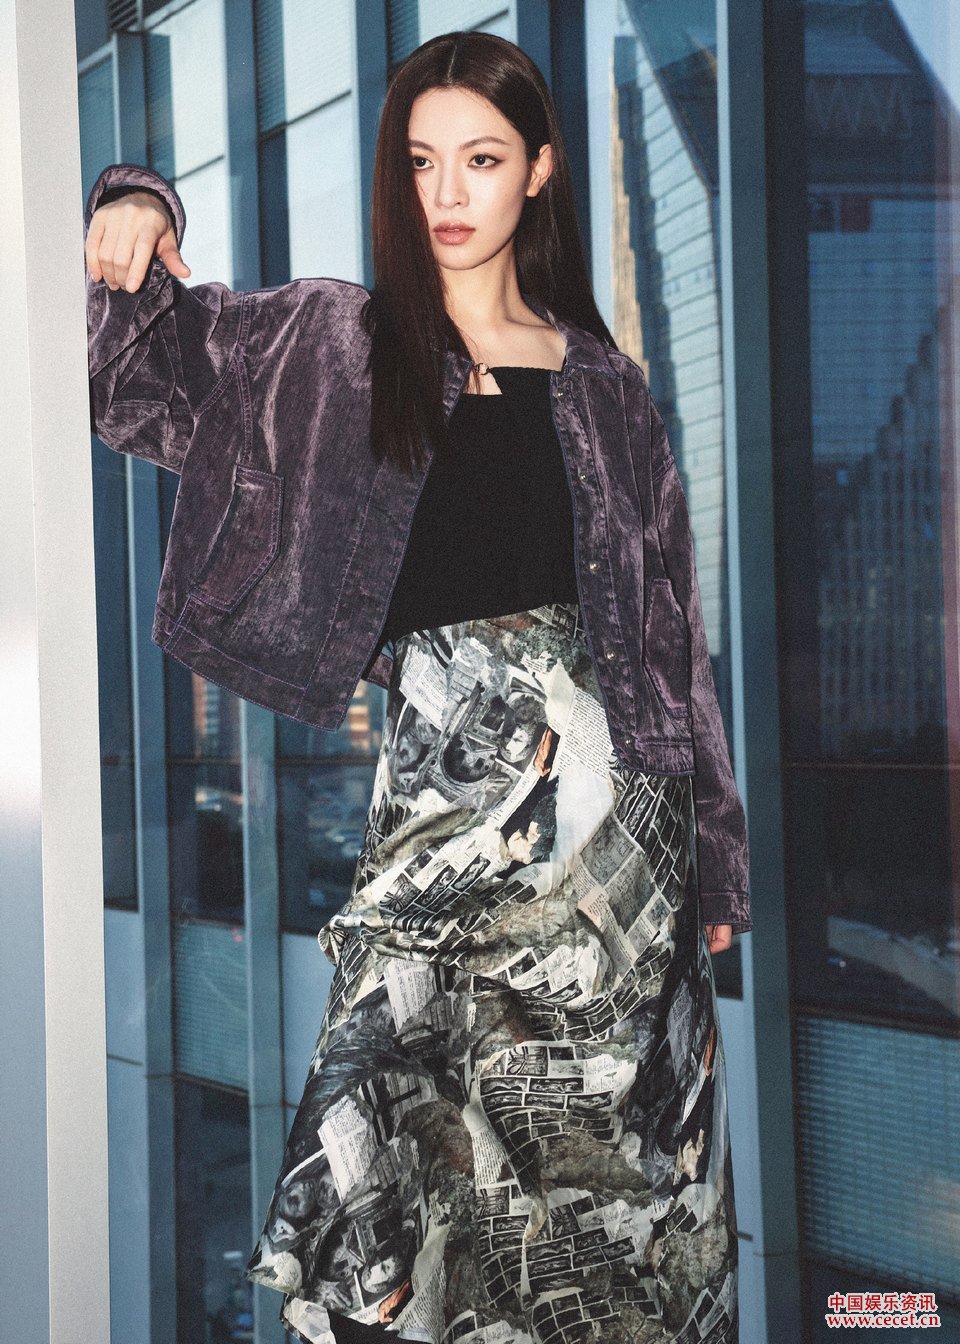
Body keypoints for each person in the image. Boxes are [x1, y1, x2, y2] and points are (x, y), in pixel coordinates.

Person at [84, 29, 748, 1344]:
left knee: (607, 1222)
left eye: (482, 160)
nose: (447, 192)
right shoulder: (328, 343)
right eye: (422, 161)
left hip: (617, 844)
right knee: (380, 1185)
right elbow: (126, 381)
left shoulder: (608, 389)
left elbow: (670, 635)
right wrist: (136, 203)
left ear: (539, 172)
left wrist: (716, 867)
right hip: (443, 809)